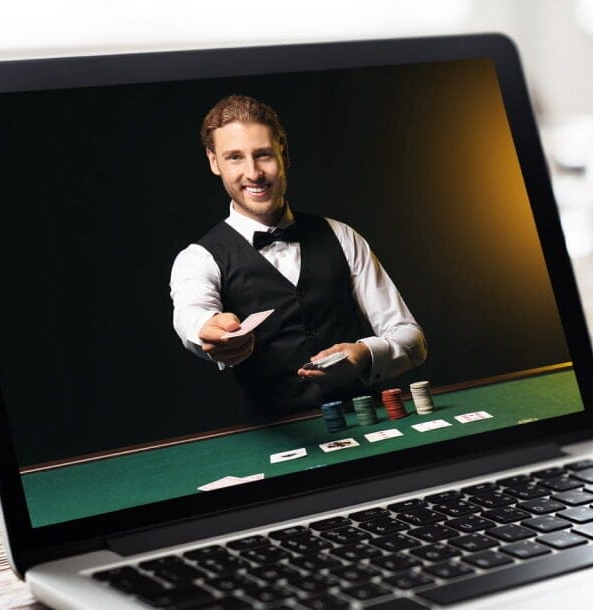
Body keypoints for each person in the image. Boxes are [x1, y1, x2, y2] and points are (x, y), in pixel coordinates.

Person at [170, 94, 426, 418]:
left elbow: (411, 339)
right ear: (214, 162)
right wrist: (206, 328)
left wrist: (365, 354)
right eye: (234, 157)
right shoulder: (198, 259)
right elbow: (191, 315)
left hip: (368, 422)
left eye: (263, 155)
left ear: (284, 153)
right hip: (276, 442)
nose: (253, 173)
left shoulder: (341, 235)